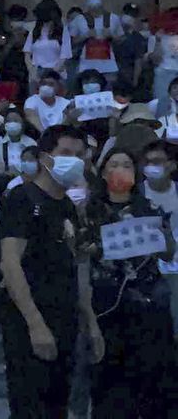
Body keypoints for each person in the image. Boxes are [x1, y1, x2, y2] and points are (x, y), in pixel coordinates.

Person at [0, 125, 104, 419]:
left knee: (57, 405)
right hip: (30, 318)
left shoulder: (68, 206)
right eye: (66, 153)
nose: (75, 161)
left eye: (80, 155)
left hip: (65, 316)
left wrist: (90, 323)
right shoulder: (22, 198)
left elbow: (76, 265)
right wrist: (35, 323)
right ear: (46, 158)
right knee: (30, 405)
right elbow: (10, 263)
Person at [81, 148, 176, 418]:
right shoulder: (89, 211)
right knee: (110, 384)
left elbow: (167, 253)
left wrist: (166, 237)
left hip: (148, 305)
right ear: (103, 172)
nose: (120, 170)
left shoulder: (150, 209)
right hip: (107, 306)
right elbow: (81, 258)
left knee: (152, 382)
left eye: (127, 165)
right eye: (114, 165)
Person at [141, 141, 178, 342]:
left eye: (156, 161)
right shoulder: (136, 193)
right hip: (145, 266)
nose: (150, 166)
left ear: (172, 165)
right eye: (147, 162)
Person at [69, 0, 124, 81]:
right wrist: (85, 36)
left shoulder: (113, 18)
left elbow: (121, 40)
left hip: (108, 66)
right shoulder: (79, 19)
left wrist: (112, 36)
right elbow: (71, 42)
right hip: (86, 66)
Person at [24, 0, 72, 92]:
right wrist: (32, 72)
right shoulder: (34, 31)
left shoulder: (63, 31)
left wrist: (51, 74)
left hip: (56, 75)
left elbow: (65, 56)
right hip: (36, 74)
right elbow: (27, 54)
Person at [0, 108, 38, 178]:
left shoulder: (31, 143)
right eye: (9, 121)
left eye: (16, 120)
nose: (12, 124)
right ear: (4, 124)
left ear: (23, 123)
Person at [113, 3, 148, 89]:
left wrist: (135, 81)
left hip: (127, 73)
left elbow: (138, 62)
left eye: (133, 15)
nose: (129, 17)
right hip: (110, 71)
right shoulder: (112, 32)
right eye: (127, 14)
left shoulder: (138, 38)